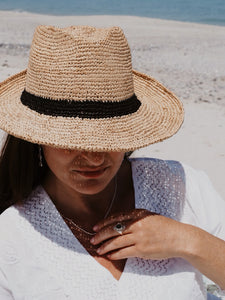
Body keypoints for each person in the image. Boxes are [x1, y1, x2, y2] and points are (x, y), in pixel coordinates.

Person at [0, 25, 224, 300]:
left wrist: (189, 240)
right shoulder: (9, 236)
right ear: (36, 137)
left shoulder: (183, 188)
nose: (94, 157)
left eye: (109, 138)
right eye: (71, 141)